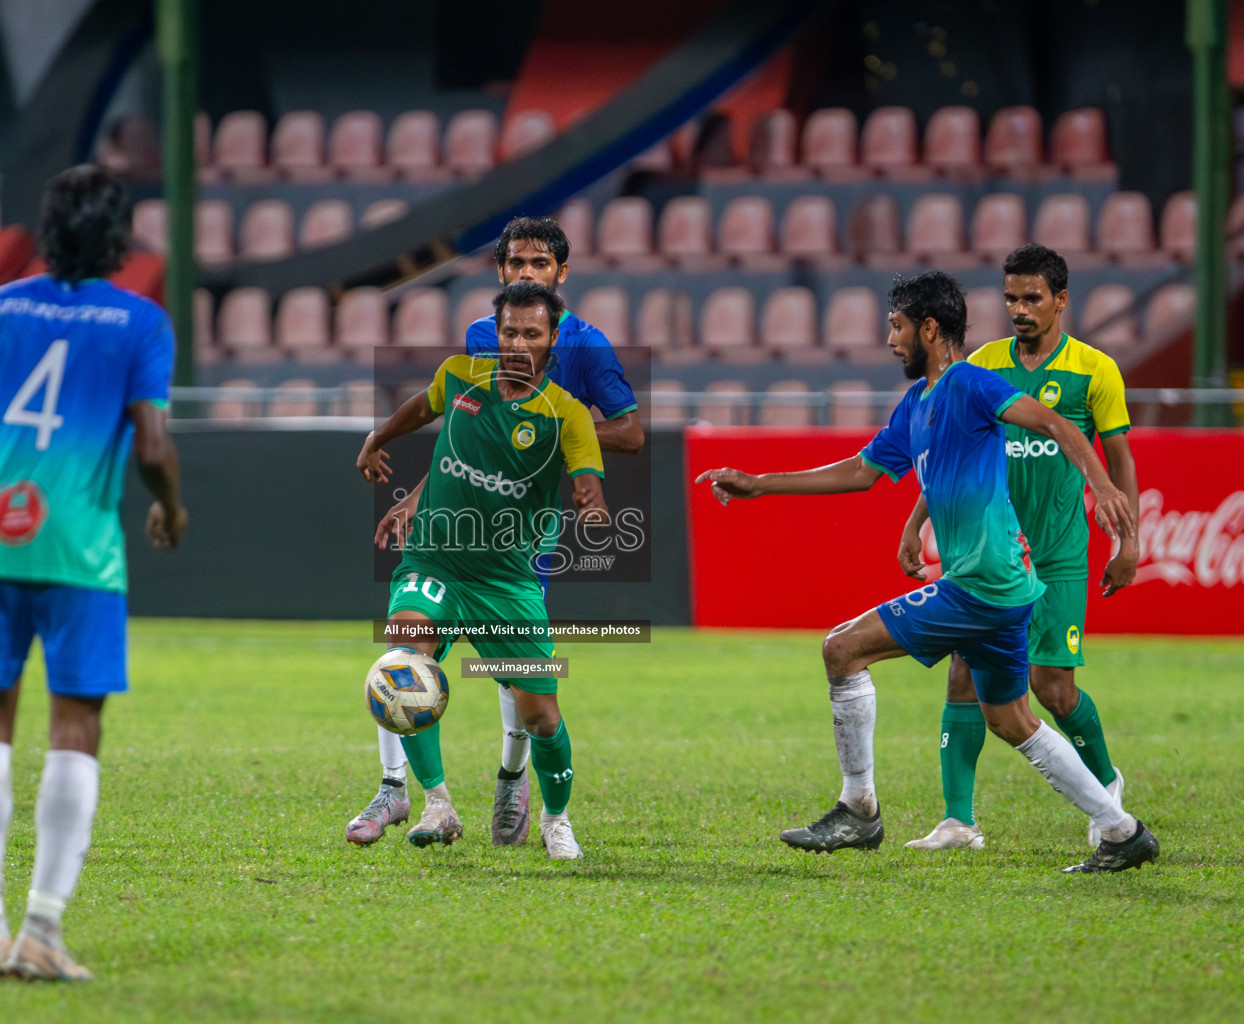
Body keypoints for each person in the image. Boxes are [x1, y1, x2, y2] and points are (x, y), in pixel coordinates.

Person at [694, 271, 1160, 874]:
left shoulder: (969, 383)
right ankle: (1122, 830)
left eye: (897, 326)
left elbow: (1056, 424)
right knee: (1011, 718)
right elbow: (862, 471)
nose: (890, 339)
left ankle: (858, 810)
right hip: (1001, 587)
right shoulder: (917, 404)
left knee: (842, 650)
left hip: (981, 585)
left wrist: (1102, 487)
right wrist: (762, 484)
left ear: (930, 329)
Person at [0, 164, 187, 980]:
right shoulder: (140, 321)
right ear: (118, 236)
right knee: (76, 727)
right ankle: (41, 930)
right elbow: (152, 445)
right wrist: (171, 509)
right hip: (81, 548)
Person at [347, 216, 643, 848]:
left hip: (514, 546)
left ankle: (517, 779)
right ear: (500, 272)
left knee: (525, 689)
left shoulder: (584, 353)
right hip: (443, 544)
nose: (527, 273)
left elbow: (631, 433)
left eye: (540, 265)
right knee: (405, 651)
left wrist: (557, 442)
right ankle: (410, 794)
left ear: (561, 276)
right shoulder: (477, 340)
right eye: (516, 263)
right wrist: (416, 492)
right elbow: (462, 428)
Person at [898, 244, 1139, 852]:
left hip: (1058, 553)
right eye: (1010, 298)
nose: (1020, 309)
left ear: (1061, 299)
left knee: (1052, 687)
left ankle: (1106, 787)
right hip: (991, 553)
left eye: (1032, 298)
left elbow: (1118, 461)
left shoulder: (1094, 370)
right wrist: (915, 520)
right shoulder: (983, 364)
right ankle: (958, 821)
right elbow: (951, 450)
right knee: (962, 675)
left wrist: (1129, 542)